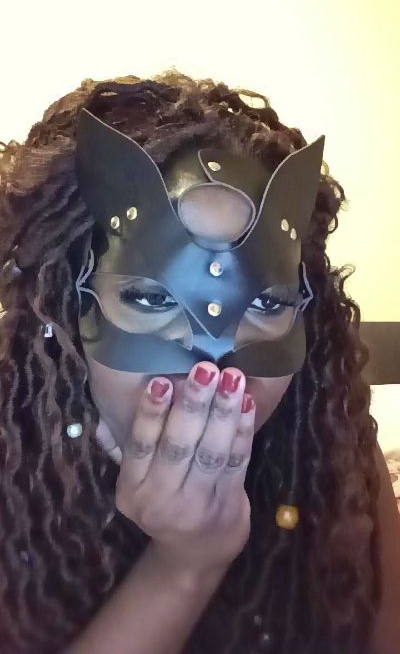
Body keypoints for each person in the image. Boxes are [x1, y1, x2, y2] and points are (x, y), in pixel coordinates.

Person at [0, 69, 398, 654]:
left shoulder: (333, 447)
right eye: (150, 299)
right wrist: (186, 565)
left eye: (266, 303)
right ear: (67, 302)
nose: (212, 361)